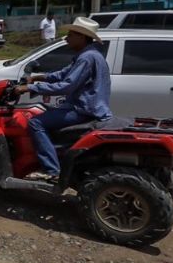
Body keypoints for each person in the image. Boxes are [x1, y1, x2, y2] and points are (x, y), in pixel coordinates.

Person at [14, 17, 111, 181]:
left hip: (83, 110)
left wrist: (30, 88)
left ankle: (51, 170)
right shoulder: (89, 55)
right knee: (45, 112)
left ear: (81, 36)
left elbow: (66, 86)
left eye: (71, 34)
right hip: (87, 107)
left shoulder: (86, 58)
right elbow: (63, 74)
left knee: (35, 122)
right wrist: (39, 77)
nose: (67, 38)